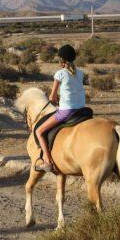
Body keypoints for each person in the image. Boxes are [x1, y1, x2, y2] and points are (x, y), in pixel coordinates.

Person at [35, 44, 86, 172]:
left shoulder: (60, 74)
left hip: (67, 111)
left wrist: (54, 99)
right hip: (81, 109)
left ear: (62, 60)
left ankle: (47, 161)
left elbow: (52, 97)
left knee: (39, 131)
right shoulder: (80, 73)